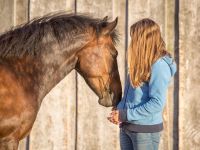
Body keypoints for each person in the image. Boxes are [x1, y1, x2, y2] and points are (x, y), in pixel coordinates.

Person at [107, 18, 176, 150]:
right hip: (127, 127)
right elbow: (131, 95)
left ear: (144, 40)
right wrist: (119, 111)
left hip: (145, 131)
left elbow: (157, 103)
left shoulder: (159, 66)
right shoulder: (140, 64)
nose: (132, 42)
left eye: (135, 38)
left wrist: (125, 115)